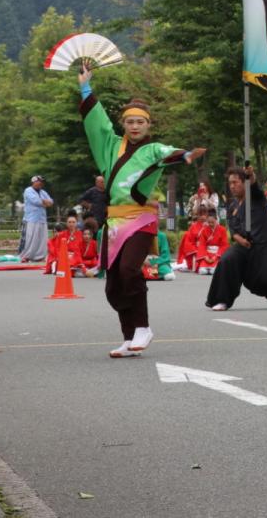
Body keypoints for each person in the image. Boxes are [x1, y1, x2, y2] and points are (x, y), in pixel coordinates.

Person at [77, 62, 206, 359]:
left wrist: (184, 155)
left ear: (149, 125)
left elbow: (166, 153)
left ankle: (144, 328)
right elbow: (96, 123)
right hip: (114, 221)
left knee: (129, 270)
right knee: (113, 285)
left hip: (141, 219)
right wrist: (85, 87)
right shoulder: (110, 146)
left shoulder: (153, 149)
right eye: (130, 121)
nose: (135, 126)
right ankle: (128, 336)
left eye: (140, 122)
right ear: (124, 124)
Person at [205, 166, 267, 311]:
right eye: (230, 183)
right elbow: (233, 230)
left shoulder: (256, 197)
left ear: (245, 183)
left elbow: (254, 184)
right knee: (227, 260)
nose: (232, 186)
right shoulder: (232, 206)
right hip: (244, 245)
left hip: (263, 244)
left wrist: (251, 175)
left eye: (236, 182)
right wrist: (240, 240)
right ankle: (222, 300)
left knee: (258, 281)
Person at [20, 176, 53, 263]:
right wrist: (45, 202)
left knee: (42, 239)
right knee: (29, 238)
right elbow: (36, 201)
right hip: (31, 219)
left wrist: (45, 202)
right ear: (34, 182)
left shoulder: (43, 192)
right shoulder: (28, 190)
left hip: (42, 219)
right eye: (39, 181)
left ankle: (39, 256)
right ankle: (25, 256)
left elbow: (51, 201)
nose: (41, 183)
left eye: (42, 182)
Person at [194, 210, 229, 275]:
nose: (210, 224)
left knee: (213, 271)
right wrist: (205, 256)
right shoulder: (204, 230)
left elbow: (224, 245)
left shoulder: (222, 230)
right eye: (209, 222)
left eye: (212, 222)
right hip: (207, 254)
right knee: (202, 271)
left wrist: (216, 256)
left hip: (218, 254)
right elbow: (202, 245)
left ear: (216, 220)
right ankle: (207, 266)